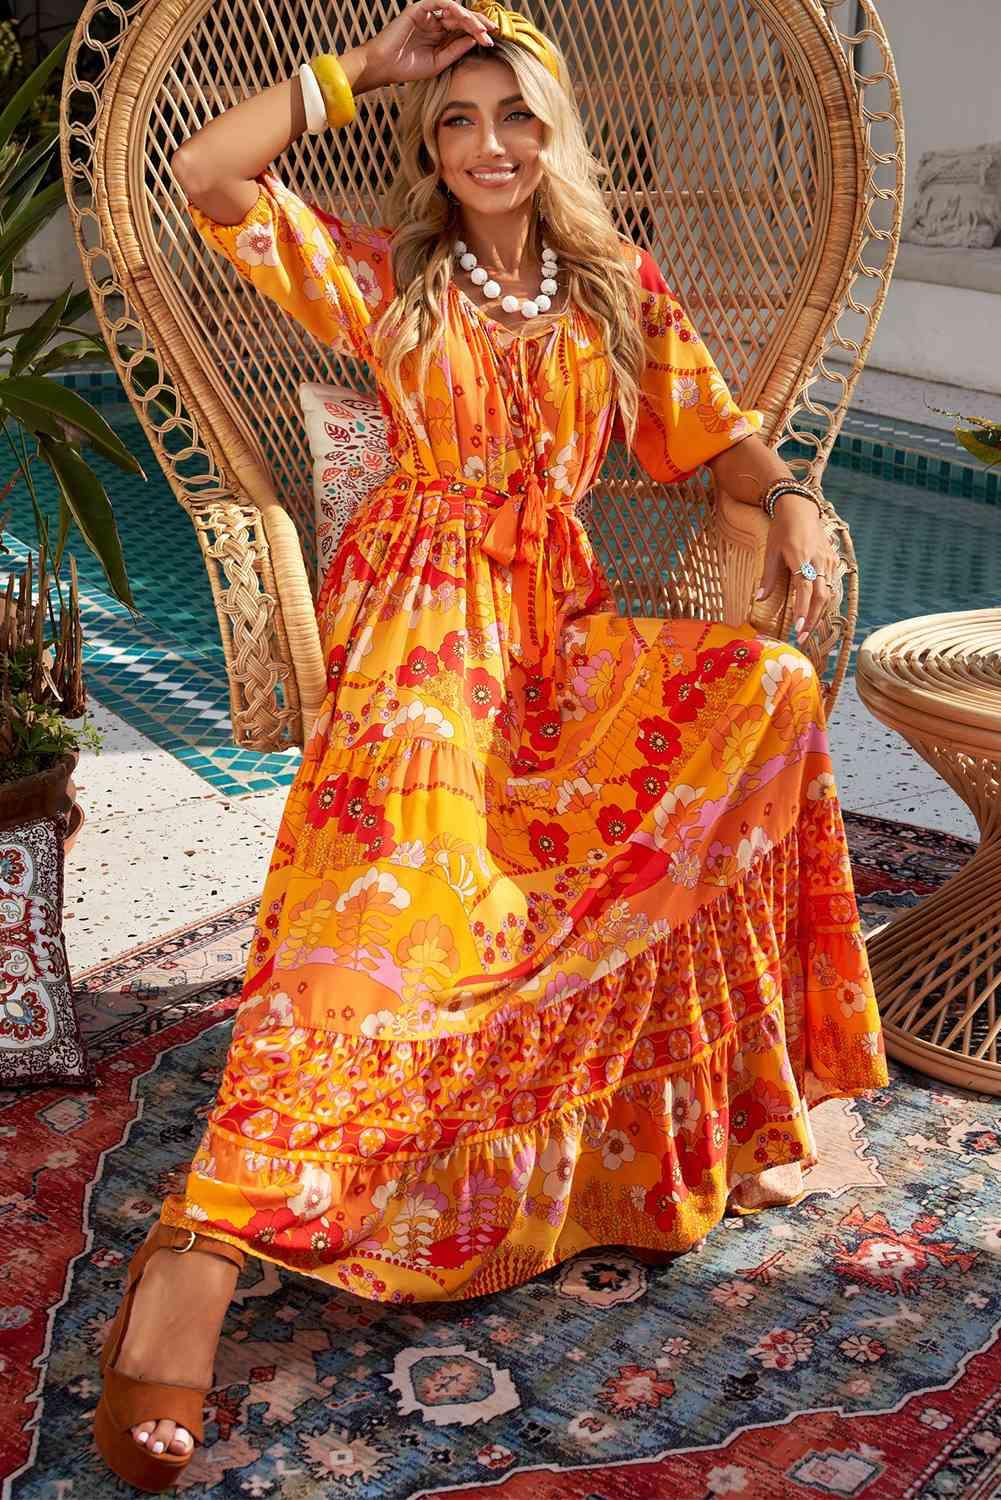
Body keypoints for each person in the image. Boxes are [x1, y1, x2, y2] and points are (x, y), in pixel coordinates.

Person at [94, 0, 889, 1486]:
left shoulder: (615, 287)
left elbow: (710, 429)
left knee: (768, 689)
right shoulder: (391, 279)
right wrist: (358, 71)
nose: (488, 145)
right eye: (456, 120)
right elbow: (206, 177)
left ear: (556, 131)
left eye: (514, 114)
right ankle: (205, 1248)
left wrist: (782, 492)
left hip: (555, 636)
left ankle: (695, 1105)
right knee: (399, 890)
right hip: (418, 624)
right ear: (430, 145)